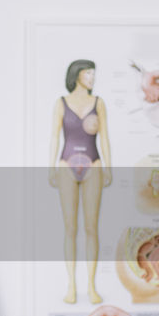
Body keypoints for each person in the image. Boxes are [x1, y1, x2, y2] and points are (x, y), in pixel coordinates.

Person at [48, 59, 113, 303]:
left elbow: (104, 137)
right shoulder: (61, 104)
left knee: (91, 228)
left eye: (93, 74)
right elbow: (54, 137)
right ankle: (72, 286)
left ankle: (91, 286)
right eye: (88, 73)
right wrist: (51, 167)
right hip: (66, 165)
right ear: (77, 75)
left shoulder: (99, 103)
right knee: (70, 228)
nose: (92, 78)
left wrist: (108, 166)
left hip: (93, 164)